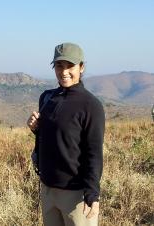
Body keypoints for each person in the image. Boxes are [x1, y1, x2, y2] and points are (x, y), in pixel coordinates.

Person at [27, 42, 105, 226]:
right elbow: (57, 137)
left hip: (75, 194)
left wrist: (92, 194)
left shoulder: (91, 105)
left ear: (82, 67)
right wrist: (35, 129)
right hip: (47, 189)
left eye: (70, 66)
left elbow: (94, 152)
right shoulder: (47, 97)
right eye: (59, 66)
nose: (64, 72)